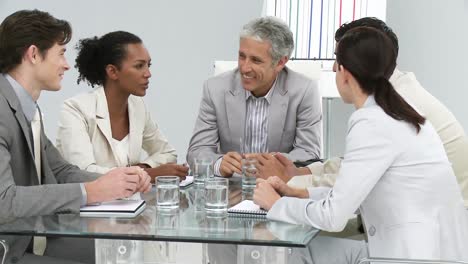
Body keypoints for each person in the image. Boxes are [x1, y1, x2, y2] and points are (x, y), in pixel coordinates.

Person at [254, 26, 468, 261]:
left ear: (344, 73)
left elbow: (333, 217)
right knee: (306, 248)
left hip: (411, 257)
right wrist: (300, 193)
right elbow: (356, 191)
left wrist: (276, 204)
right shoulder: (399, 111)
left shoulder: (371, 121)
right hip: (430, 251)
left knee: (293, 249)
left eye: (336, 65)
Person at [0, 10, 151, 264]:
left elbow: (61, 171)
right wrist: (89, 191)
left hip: (35, 235)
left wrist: (118, 180)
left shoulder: (27, 108)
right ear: (34, 54)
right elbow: (4, 201)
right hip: (10, 249)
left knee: (126, 252)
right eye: (61, 53)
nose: (66, 64)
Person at [187, 16, 322, 177]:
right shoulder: (215, 88)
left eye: (256, 60)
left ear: (280, 62)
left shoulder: (304, 90)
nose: (244, 68)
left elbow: (309, 153)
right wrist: (218, 164)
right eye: (242, 56)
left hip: (278, 189)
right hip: (233, 188)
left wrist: (269, 164)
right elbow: (196, 151)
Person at [55, 31, 188, 183]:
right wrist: (147, 174)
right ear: (112, 71)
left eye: (148, 65)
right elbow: (82, 172)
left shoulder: (137, 107)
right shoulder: (75, 109)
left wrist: (144, 167)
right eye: (139, 66)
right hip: (86, 205)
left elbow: (167, 153)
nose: (148, 73)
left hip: (131, 204)